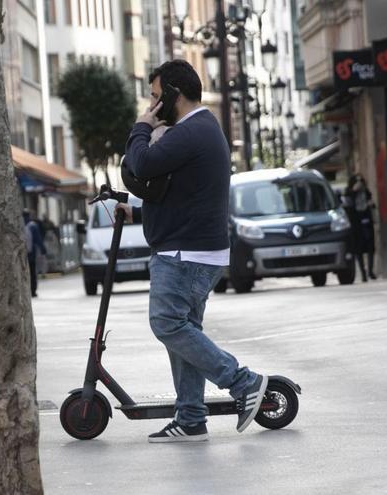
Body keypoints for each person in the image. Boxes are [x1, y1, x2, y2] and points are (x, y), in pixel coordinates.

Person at [117, 59, 268, 443]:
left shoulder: (190, 131)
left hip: (186, 255)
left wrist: (141, 127)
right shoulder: (200, 130)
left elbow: (142, 163)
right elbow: (182, 196)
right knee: (184, 330)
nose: (151, 106)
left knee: (167, 324)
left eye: (155, 97)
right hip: (194, 251)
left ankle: (244, 383)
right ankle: (191, 417)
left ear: (173, 95)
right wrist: (135, 211)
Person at [342, 173, 376, 281]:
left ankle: (370, 271)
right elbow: (347, 206)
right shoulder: (349, 193)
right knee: (358, 249)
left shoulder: (366, 192)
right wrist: (353, 191)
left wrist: (371, 205)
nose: (359, 185)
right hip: (356, 224)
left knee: (370, 246)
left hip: (366, 221)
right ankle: (363, 273)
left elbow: (371, 203)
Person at [23, 210, 46, 297]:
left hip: (22, 255)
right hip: (31, 253)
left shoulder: (20, 225)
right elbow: (38, 239)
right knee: (32, 272)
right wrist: (43, 249)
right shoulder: (33, 226)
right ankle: (33, 291)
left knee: (24, 273)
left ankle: (26, 291)